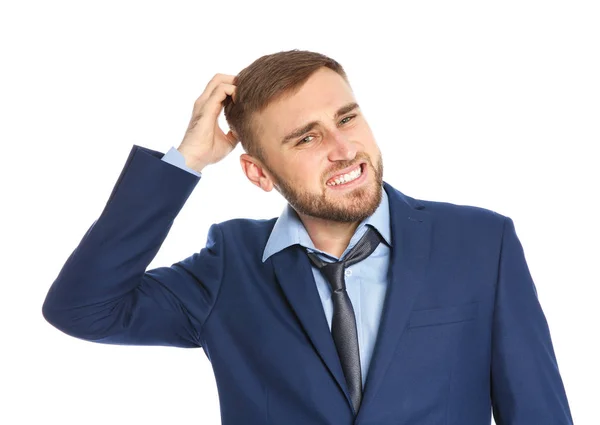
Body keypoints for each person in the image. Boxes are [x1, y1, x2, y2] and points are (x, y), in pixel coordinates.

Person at [42, 49, 573, 425]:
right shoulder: (230, 266)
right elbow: (83, 309)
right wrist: (186, 162)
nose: (344, 149)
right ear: (258, 174)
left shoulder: (482, 242)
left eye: (347, 118)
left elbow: (538, 413)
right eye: (307, 138)